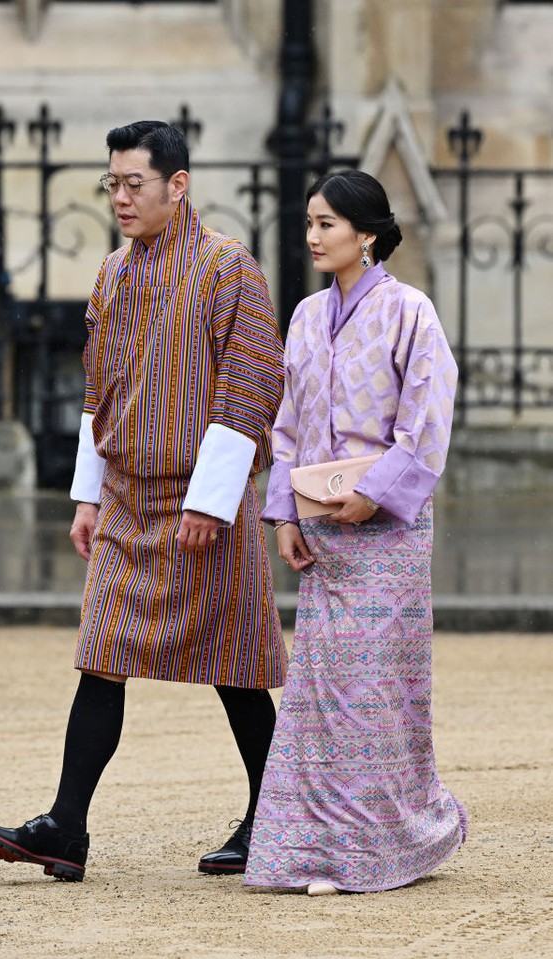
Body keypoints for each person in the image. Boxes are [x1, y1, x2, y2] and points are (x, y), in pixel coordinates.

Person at [0, 120, 288, 881]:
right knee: (101, 655)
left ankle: (276, 819)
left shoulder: (227, 268)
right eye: (112, 182)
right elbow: (98, 392)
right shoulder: (111, 272)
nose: (120, 196)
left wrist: (210, 503)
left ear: (177, 186)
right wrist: (87, 494)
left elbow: (248, 389)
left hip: (205, 504)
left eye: (133, 183)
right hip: (126, 500)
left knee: (235, 665)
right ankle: (65, 828)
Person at [243, 169, 467, 896]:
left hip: (389, 532)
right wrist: (283, 514)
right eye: (310, 221)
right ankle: (313, 849)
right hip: (323, 530)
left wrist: (375, 494)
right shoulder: (306, 315)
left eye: (328, 224)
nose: (313, 236)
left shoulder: (411, 311)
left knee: (375, 687)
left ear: (366, 233)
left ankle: (385, 843)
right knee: (321, 689)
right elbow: (285, 422)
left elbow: (429, 420)